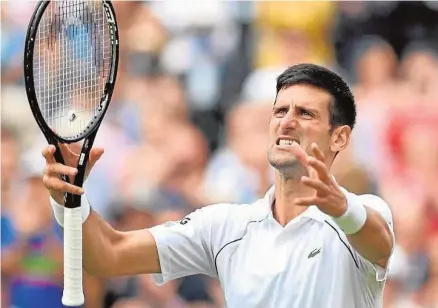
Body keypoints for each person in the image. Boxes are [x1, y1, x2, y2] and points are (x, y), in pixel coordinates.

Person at [41, 63, 395, 308]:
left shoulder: (363, 214)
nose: (286, 122)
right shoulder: (225, 227)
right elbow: (109, 254)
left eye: (305, 113)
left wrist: (340, 207)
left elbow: (377, 242)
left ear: (340, 138)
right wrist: (68, 200)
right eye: (279, 111)